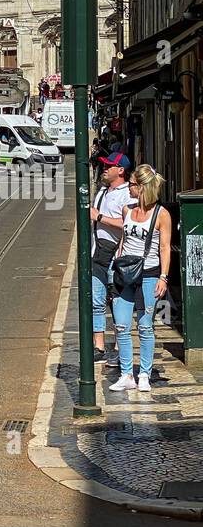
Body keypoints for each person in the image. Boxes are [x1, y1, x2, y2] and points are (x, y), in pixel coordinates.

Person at [109, 164, 172, 393]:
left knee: (145, 326)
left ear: (143, 187)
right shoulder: (127, 210)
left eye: (133, 185)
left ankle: (144, 373)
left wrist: (163, 277)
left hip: (148, 274)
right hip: (125, 273)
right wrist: (114, 264)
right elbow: (124, 239)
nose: (129, 188)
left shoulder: (161, 215)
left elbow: (164, 248)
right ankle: (127, 374)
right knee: (122, 324)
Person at [89, 151, 131, 366]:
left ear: (120, 170)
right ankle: (98, 345)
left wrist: (100, 217)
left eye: (109, 166)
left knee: (116, 301)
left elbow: (128, 224)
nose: (104, 169)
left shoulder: (128, 194)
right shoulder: (102, 192)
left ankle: (118, 346)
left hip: (116, 255)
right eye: (103, 165)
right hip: (97, 253)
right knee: (96, 302)